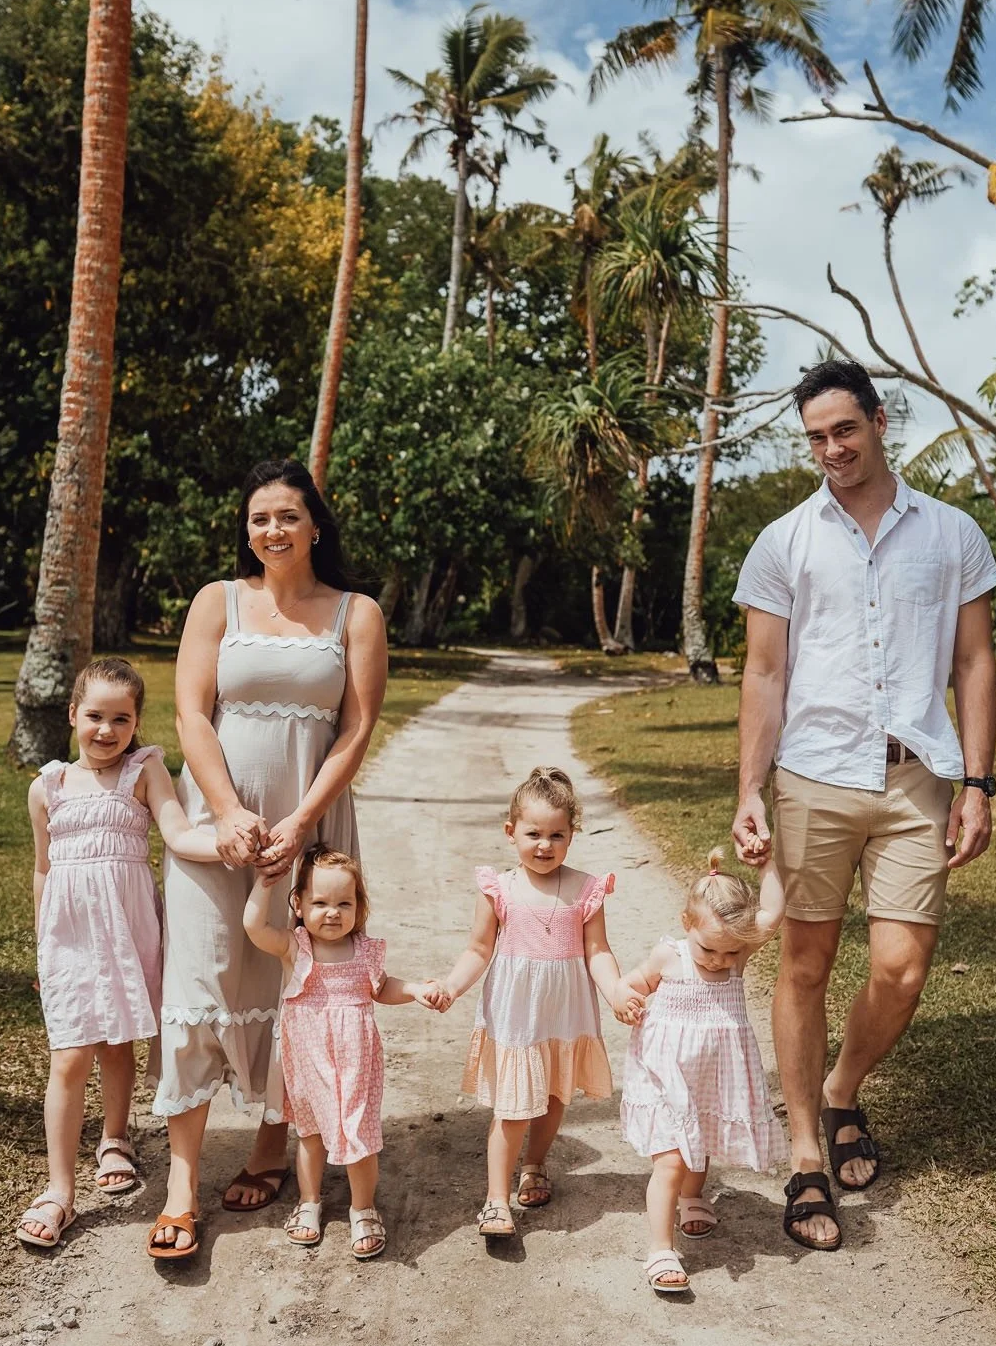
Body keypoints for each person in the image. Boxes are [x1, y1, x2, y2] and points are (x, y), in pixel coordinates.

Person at [730, 358, 996, 1253]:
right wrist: (749, 791)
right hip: (812, 775)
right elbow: (764, 672)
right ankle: (806, 1151)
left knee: (900, 969)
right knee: (803, 966)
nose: (830, 449)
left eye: (842, 430)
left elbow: (972, 664)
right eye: (813, 436)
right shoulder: (783, 541)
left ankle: (842, 1088)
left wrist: (977, 783)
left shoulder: (953, 533)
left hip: (917, 774)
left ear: (879, 422)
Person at [149, 460, 387, 1261]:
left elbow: (354, 731)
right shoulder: (216, 601)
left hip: (310, 825)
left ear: (315, 525)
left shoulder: (356, 613)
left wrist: (302, 822)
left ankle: (270, 1146)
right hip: (220, 821)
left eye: (287, 516)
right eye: (258, 519)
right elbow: (189, 709)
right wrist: (223, 812)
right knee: (201, 978)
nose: (272, 531)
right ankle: (181, 1184)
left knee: (301, 991)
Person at [16, 657, 220, 1250]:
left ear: (136, 723)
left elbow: (178, 832)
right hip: (69, 937)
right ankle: (59, 1191)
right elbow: (41, 869)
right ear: (74, 714)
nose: (107, 730)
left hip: (128, 928)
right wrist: (42, 946)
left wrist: (229, 844)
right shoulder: (48, 786)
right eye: (95, 716)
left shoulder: (144, 770)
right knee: (70, 1056)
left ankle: (115, 1138)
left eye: (121, 719)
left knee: (118, 1040)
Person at [427, 767, 640, 1239]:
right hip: (517, 1014)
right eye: (533, 834)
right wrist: (451, 986)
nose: (544, 845)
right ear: (511, 833)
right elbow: (479, 949)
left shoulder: (587, 889)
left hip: (564, 1013)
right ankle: (495, 1200)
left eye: (556, 835)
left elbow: (598, 951)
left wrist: (617, 991)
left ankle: (535, 1163)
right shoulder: (499, 888)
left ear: (571, 836)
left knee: (553, 1096)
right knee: (513, 1105)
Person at [242, 845, 438, 1259]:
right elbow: (254, 926)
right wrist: (264, 884)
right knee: (310, 1134)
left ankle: (363, 1208)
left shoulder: (363, 950)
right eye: (320, 902)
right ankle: (309, 1201)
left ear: (359, 907)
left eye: (343, 903)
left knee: (359, 1132)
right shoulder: (295, 947)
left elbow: (381, 988)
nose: (332, 913)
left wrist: (416, 990)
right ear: (298, 903)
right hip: (309, 1059)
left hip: (356, 1059)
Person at [617, 849, 786, 1295]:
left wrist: (767, 865)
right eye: (708, 948)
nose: (717, 959)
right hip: (665, 1072)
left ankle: (694, 1198)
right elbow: (633, 982)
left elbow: (773, 913)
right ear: (687, 923)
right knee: (672, 1158)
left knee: (702, 1138)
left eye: (729, 952)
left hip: (711, 1073)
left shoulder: (737, 954)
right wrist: (627, 1000)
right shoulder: (669, 956)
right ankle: (660, 1249)